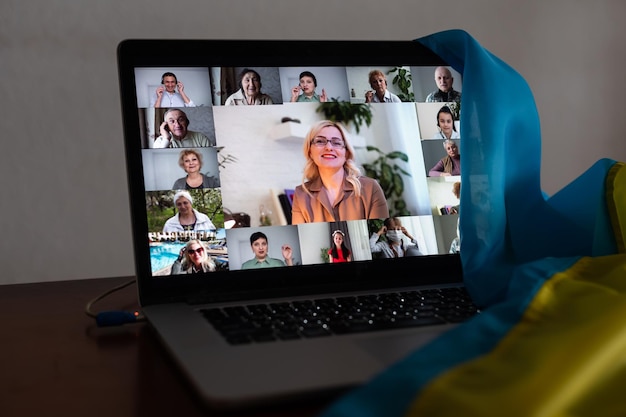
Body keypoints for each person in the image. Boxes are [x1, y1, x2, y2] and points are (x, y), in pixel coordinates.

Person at [291, 120, 389, 224]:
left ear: (346, 153)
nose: (328, 147)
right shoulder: (301, 194)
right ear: (310, 151)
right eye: (320, 141)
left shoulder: (370, 188)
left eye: (337, 143)